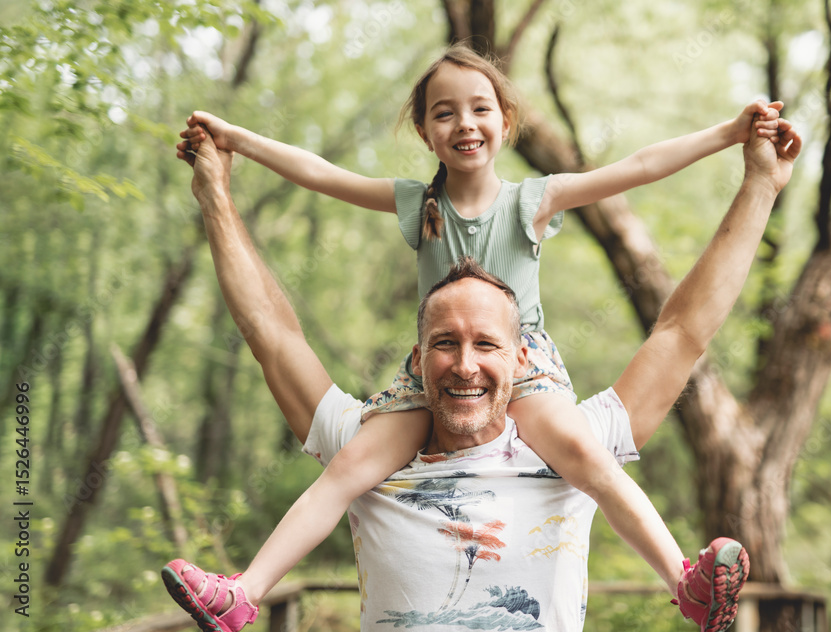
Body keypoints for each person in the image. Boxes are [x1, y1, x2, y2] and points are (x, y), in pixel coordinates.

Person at [167, 44, 784, 630]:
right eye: (445, 112)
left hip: (530, 372)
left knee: (590, 459)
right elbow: (319, 173)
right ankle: (244, 593)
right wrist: (236, 142)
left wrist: (728, 135)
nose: (465, 123)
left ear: (506, 121)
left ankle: (684, 582)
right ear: (424, 132)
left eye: (480, 108)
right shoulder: (419, 205)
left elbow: (638, 168)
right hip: (424, 384)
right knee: (349, 466)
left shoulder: (533, 201)